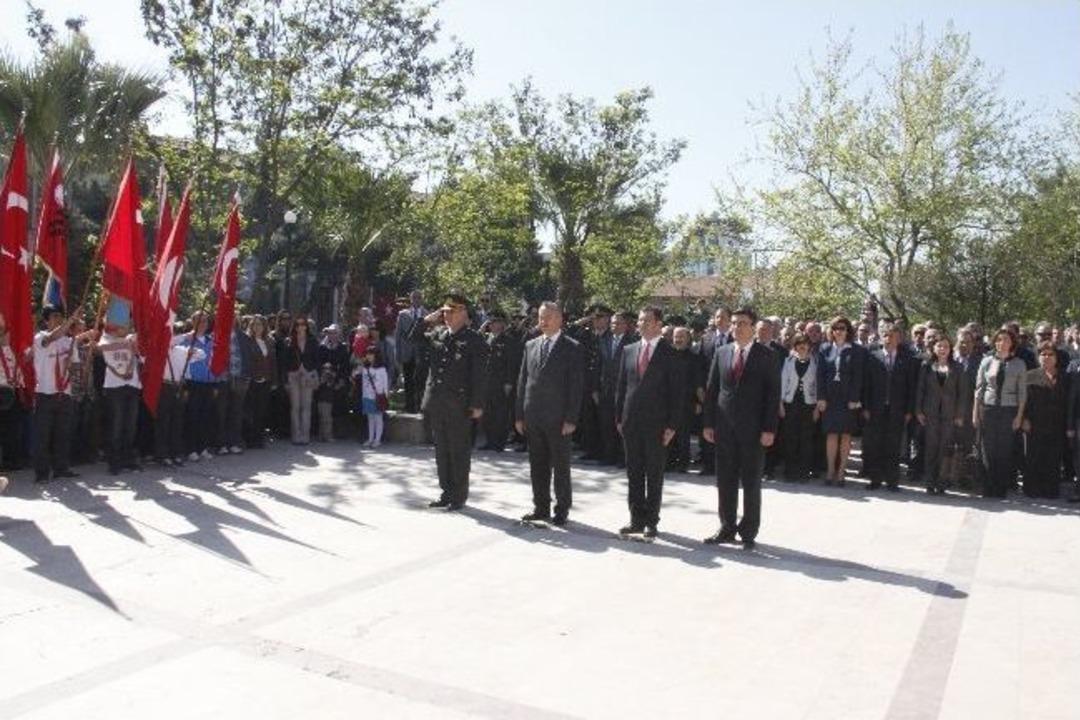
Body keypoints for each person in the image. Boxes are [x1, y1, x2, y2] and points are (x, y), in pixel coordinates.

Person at [702, 307, 780, 550]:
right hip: (724, 427)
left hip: (754, 430)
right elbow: (712, 389)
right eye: (734, 323)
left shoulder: (766, 356)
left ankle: (748, 531)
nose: (736, 327)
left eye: (742, 323)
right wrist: (708, 423)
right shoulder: (722, 352)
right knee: (725, 480)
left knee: (751, 481)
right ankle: (726, 527)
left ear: (753, 327)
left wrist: (769, 429)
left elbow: (772, 395)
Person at [409, 293, 488, 510]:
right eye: (445, 312)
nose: (446, 316)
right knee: (441, 451)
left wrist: (477, 404)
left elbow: (479, 376)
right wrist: (427, 319)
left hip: (459, 406)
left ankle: (459, 495)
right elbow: (412, 337)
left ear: (463, 313)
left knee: (458, 451)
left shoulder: (474, 340)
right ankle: (446, 491)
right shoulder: (438, 334)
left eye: (451, 312)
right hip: (437, 403)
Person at [614, 306, 684, 539]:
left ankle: (652, 521)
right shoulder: (629, 350)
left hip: (657, 425)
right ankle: (636, 519)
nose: (641, 324)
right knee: (634, 473)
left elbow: (677, 394)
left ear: (658, 324)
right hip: (631, 421)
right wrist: (618, 418)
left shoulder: (670, 353)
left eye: (647, 320)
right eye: (640, 320)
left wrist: (672, 426)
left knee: (654, 474)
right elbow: (621, 387)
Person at [514, 301, 584, 525]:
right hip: (533, 415)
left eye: (547, 317)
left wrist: (571, 419)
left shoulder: (572, 347)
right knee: (538, 465)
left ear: (559, 319)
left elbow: (576, 386)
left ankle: (562, 509)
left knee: (561, 466)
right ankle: (540, 507)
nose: (542, 322)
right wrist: (519, 415)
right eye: (540, 317)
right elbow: (523, 382)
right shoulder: (531, 345)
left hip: (559, 418)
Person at [32, 305, 94, 483]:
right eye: (54, 316)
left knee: (63, 433)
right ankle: (42, 473)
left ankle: (61, 467)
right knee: (43, 436)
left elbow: (76, 365)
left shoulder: (69, 341)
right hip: (45, 392)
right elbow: (52, 337)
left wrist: (74, 363)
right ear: (46, 320)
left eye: (60, 316)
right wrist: (72, 319)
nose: (58, 319)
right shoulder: (40, 337)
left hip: (64, 393)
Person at [973, 328, 1027, 499]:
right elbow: (979, 389)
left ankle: (1000, 487)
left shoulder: (1019, 363)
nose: (1001, 343)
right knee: (987, 449)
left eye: (1005, 340)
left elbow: (1022, 393)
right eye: (998, 339)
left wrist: (1019, 416)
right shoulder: (986, 361)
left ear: (1012, 343)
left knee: (1004, 450)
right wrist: (975, 412)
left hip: (1009, 410)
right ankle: (987, 487)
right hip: (988, 409)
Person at [863, 323, 917, 490]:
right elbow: (866, 384)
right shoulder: (872, 356)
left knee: (893, 445)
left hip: (897, 410)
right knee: (875, 445)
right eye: (885, 335)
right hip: (875, 408)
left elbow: (911, 387)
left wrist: (909, 410)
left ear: (899, 339)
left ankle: (892, 481)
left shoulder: (907, 359)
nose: (888, 339)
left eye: (892, 336)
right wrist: (865, 407)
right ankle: (875, 479)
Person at [915, 336, 968, 494]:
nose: (942, 349)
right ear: (934, 348)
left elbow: (962, 393)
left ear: (950, 349)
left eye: (945, 346)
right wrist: (918, 410)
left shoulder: (957, 368)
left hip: (949, 415)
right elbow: (920, 390)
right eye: (939, 346)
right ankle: (930, 482)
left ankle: (942, 482)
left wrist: (959, 415)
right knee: (931, 448)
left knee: (944, 449)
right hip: (930, 413)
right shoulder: (926, 366)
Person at [816, 316, 864, 487]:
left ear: (848, 330)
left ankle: (841, 472)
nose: (839, 331)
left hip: (847, 399)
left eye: (842, 328)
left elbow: (859, 377)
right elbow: (820, 375)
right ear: (832, 330)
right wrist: (820, 397)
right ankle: (830, 471)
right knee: (831, 434)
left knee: (845, 435)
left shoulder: (856, 350)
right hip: (830, 398)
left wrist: (854, 399)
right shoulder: (824, 348)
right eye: (836, 328)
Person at [1021, 341, 1067, 498]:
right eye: (1043, 354)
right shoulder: (1030, 376)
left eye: (1050, 354)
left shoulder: (1065, 376)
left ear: (1056, 357)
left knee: (1053, 457)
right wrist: (1024, 418)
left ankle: (1051, 490)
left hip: (1057, 424)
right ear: (1038, 357)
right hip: (1035, 423)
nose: (1047, 357)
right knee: (1034, 456)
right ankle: (1032, 489)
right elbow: (1022, 400)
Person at [157, 326, 205, 466]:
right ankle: (162, 454)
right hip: (164, 386)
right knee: (164, 421)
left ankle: (175, 453)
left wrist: (192, 351)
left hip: (178, 387)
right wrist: (186, 336)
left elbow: (202, 355)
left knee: (177, 421)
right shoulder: (161, 348)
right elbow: (168, 343)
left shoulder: (181, 351)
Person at [97, 323, 142, 475]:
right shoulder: (106, 338)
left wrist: (134, 346)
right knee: (116, 425)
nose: (125, 328)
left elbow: (141, 356)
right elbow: (101, 348)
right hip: (114, 386)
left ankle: (128, 460)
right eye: (122, 325)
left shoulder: (132, 338)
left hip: (132, 385)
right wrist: (125, 343)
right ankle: (114, 462)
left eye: (127, 325)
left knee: (130, 426)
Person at [779, 333, 818, 482]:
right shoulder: (788, 361)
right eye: (799, 343)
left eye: (805, 343)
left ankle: (803, 472)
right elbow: (783, 382)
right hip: (790, 403)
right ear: (795, 346)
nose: (802, 346)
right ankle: (790, 472)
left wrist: (816, 408)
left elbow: (818, 385)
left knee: (806, 440)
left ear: (809, 346)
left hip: (808, 404)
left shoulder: (815, 363)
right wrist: (780, 404)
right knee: (790, 438)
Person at [480, 310, 515, 452]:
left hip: (501, 383)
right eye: (491, 323)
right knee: (487, 414)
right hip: (487, 383)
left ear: (502, 324)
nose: (493, 325)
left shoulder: (508, 341)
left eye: (496, 322)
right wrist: (481, 330)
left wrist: (509, 382)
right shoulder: (486, 339)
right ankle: (489, 441)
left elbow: (511, 363)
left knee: (500, 414)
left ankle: (499, 442)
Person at [284, 314, 318, 445]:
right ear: (295, 327)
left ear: (306, 326)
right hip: (294, 376)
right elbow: (285, 362)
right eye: (297, 324)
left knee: (306, 406)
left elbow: (317, 360)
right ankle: (296, 435)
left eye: (303, 324)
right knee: (295, 407)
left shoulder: (312, 341)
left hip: (307, 376)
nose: (300, 327)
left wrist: (308, 371)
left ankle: (305, 435)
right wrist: (292, 372)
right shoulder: (289, 341)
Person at [245, 315, 277, 448]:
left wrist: (274, 380)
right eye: (255, 324)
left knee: (262, 410)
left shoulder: (269, 341)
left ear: (264, 327)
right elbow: (247, 361)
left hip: (266, 379)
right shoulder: (247, 341)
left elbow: (273, 362)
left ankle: (259, 438)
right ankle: (250, 439)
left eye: (260, 324)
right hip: (252, 379)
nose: (257, 327)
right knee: (251, 410)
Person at [395, 291, 427, 413]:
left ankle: (419, 406)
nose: (416, 300)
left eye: (419, 297)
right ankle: (409, 406)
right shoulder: (403, 314)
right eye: (414, 298)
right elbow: (398, 335)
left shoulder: (426, 314)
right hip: (407, 353)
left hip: (420, 353)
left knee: (419, 380)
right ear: (410, 299)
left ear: (422, 299)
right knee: (408, 380)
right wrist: (397, 354)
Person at [357, 349, 389, 447]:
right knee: (370, 418)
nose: (368, 356)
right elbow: (362, 382)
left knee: (378, 418)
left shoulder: (382, 369)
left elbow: (385, 383)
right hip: (367, 396)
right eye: (367, 354)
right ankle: (370, 438)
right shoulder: (365, 368)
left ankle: (377, 439)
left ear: (376, 355)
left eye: (371, 354)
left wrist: (386, 395)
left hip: (378, 396)